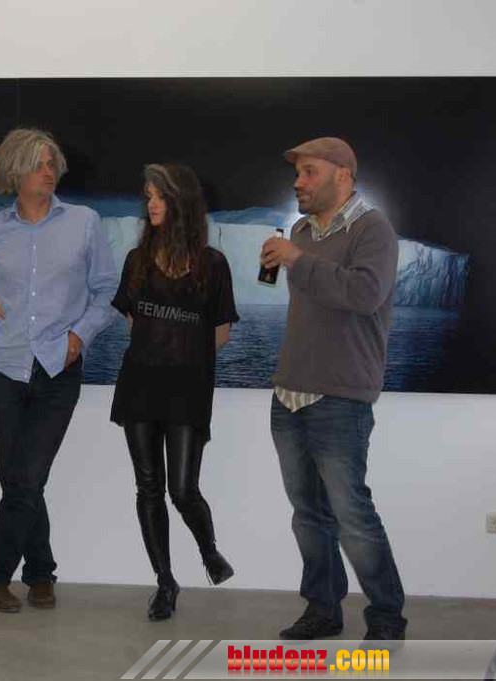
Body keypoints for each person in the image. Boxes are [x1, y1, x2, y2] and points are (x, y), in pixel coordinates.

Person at [0, 128, 119, 613]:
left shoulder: (84, 222)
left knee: (27, 479)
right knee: (20, 481)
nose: (49, 171)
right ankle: (40, 572)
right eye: (38, 164)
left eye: (52, 163)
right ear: (14, 171)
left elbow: (107, 290)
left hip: (60, 369)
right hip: (6, 367)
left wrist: (80, 337)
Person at [260, 137, 406, 642]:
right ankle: (323, 610)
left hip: (341, 397)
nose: (298, 182)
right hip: (289, 395)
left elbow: (365, 294)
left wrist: (298, 260)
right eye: (297, 173)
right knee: (309, 517)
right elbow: (316, 303)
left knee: (352, 516)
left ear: (343, 175)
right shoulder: (302, 230)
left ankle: (387, 619)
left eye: (309, 172)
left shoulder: (373, 228)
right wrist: (296, 256)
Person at [110, 163, 238, 621]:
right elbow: (132, 320)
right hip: (140, 386)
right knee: (149, 488)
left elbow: (220, 332)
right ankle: (165, 582)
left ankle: (208, 550)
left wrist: (183, 356)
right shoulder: (136, 260)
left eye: (159, 196)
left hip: (187, 390)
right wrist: (159, 347)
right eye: (148, 196)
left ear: (181, 201)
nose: (152, 204)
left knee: (183, 489)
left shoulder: (213, 264)